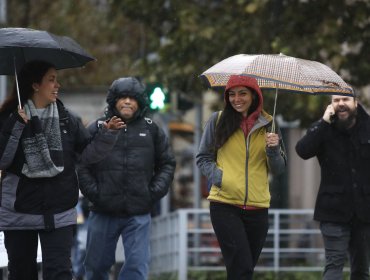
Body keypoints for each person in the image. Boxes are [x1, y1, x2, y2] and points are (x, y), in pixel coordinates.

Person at [0, 60, 124, 280]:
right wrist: (16, 125)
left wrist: (108, 134)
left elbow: (86, 155)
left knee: (59, 273)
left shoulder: (67, 119)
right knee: (21, 273)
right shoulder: (8, 118)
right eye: (51, 80)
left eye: (57, 80)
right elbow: (2, 159)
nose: (57, 85)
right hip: (19, 211)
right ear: (35, 85)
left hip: (59, 210)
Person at [77, 76, 176, 280]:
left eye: (133, 98)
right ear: (114, 100)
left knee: (137, 268)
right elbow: (82, 164)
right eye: (122, 97)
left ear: (139, 102)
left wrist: (152, 193)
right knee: (95, 268)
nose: (128, 102)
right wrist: (96, 194)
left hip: (138, 212)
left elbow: (167, 163)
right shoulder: (97, 128)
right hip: (103, 210)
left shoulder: (152, 129)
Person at [196, 75, 286, 280]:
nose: (237, 99)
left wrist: (273, 150)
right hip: (225, 204)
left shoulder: (270, 124)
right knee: (242, 267)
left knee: (243, 270)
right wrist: (220, 178)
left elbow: (279, 170)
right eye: (232, 94)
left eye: (242, 93)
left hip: (258, 207)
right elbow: (203, 157)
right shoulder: (217, 120)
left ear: (254, 95)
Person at [295, 94, 370, 280]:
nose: (341, 104)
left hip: (365, 212)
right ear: (331, 104)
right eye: (336, 100)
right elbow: (303, 151)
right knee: (334, 265)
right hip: (333, 212)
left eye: (345, 99)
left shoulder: (368, 127)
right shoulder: (323, 128)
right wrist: (323, 122)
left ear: (355, 102)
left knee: (361, 269)